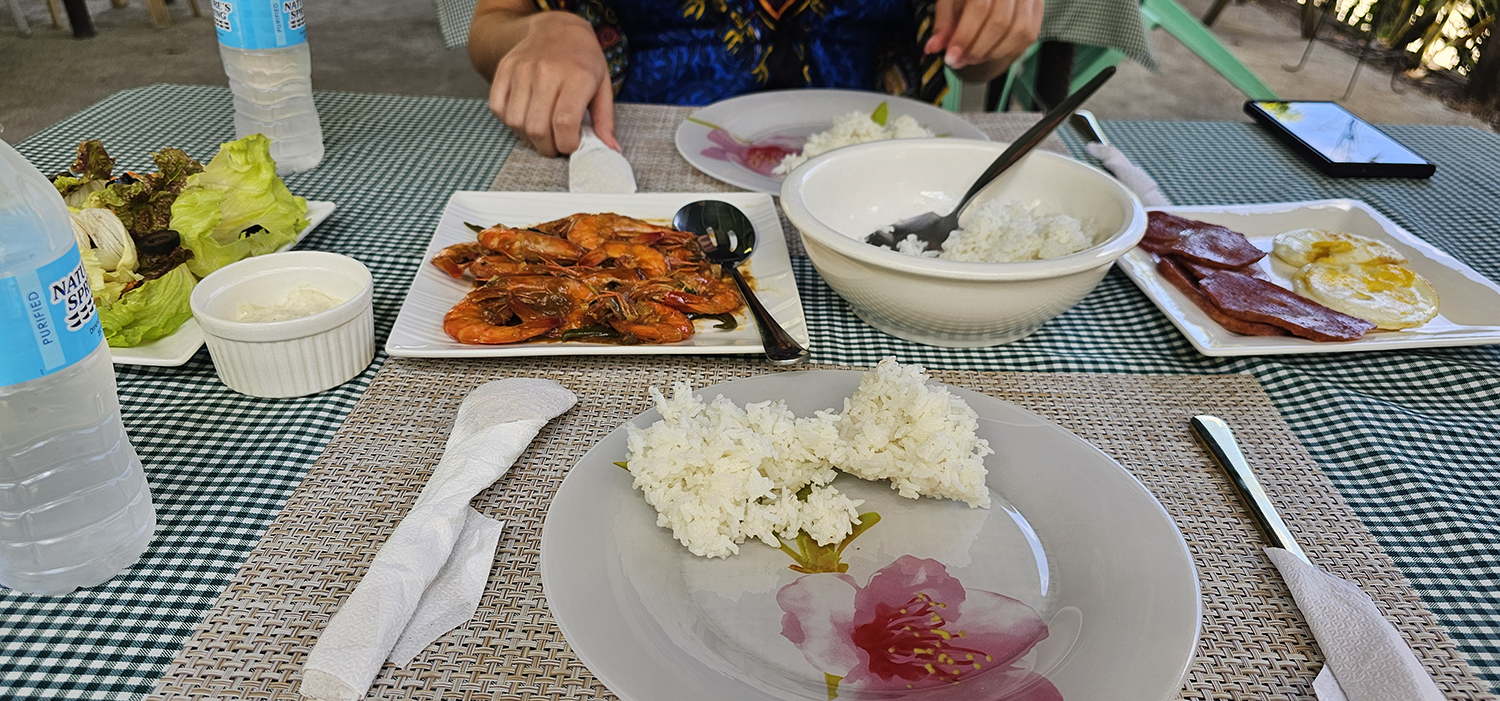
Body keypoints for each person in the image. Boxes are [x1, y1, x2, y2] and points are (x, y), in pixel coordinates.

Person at [469, 0, 1043, 156]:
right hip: (633, 151)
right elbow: (494, 23)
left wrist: (994, 30)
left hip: (880, 163)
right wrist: (543, 28)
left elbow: (980, 60)